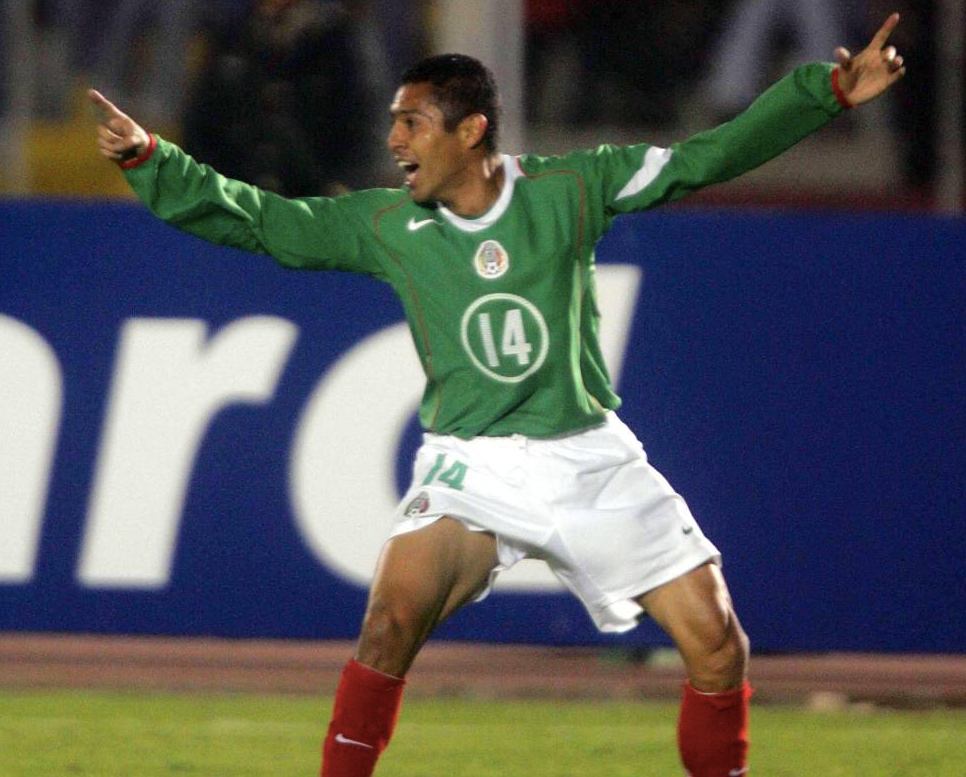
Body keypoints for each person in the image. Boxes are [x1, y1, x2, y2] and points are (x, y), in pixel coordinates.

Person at [89, 13, 906, 776]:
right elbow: (260, 219)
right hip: (471, 466)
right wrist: (151, 160)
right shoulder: (385, 224)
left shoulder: (573, 189)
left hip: (589, 456)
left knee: (720, 644)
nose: (393, 140)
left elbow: (709, 155)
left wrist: (824, 92)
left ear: (471, 129)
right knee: (387, 624)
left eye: (412, 122)